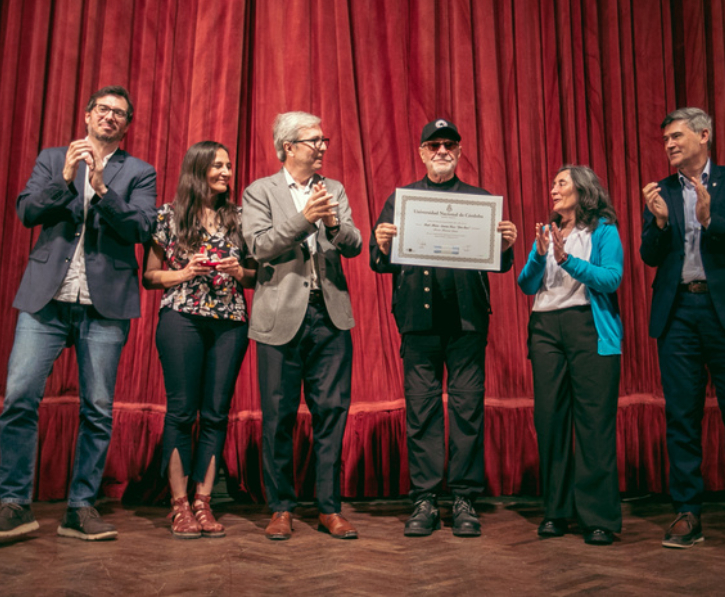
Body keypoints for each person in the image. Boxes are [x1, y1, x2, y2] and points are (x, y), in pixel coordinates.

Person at [0, 86, 157, 541]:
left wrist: (104, 188)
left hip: (104, 305)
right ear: (87, 115)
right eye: (103, 110)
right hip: (46, 300)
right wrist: (67, 177)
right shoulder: (53, 158)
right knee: (19, 397)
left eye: (119, 114)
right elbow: (28, 211)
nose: (110, 117)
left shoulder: (139, 171)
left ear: (127, 125)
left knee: (98, 408)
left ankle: (80, 507)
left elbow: (143, 226)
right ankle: (12, 503)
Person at [370, 118, 517, 537]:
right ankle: (425, 499)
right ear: (421, 152)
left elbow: (499, 263)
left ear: (457, 150)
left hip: (468, 324)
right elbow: (378, 263)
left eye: (448, 143)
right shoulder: (402, 201)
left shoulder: (480, 200)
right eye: (433, 144)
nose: (441, 150)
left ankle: (465, 497)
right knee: (422, 413)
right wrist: (382, 246)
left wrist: (506, 247)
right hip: (419, 323)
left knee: (468, 411)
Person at [640, 107, 725, 552]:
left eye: (677, 137)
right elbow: (649, 255)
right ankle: (687, 513)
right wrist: (659, 222)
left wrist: (712, 219)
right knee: (682, 416)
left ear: (704, 135)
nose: (669, 145)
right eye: (665, 140)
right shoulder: (659, 191)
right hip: (679, 312)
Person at [242, 112, 362, 540]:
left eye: (324, 140)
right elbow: (258, 247)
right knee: (279, 416)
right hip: (280, 317)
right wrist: (304, 218)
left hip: (329, 315)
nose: (323, 147)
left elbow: (355, 244)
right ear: (289, 146)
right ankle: (281, 508)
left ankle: (329, 508)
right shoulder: (260, 192)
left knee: (332, 413)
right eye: (314, 140)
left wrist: (331, 221)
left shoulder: (334, 190)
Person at [143, 141, 255, 539]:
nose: (226, 172)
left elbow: (256, 277)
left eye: (228, 165)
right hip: (181, 319)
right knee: (181, 412)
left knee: (215, 413)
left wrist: (239, 271)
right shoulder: (167, 216)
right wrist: (183, 272)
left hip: (231, 322)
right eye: (217, 165)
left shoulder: (242, 218)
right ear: (198, 169)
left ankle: (204, 504)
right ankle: (179, 506)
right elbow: (150, 276)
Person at [517, 165, 623, 546]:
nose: (554, 189)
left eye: (561, 182)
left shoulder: (603, 230)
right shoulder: (546, 232)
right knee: (551, 421)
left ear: (583, 189)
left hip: (588, 327)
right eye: (553, 183)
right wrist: (540, 255)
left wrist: (568, 262)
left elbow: (612, 278)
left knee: (593, 423)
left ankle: (598, 518)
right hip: (546, 329)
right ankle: (557, 512)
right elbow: (527, 284)